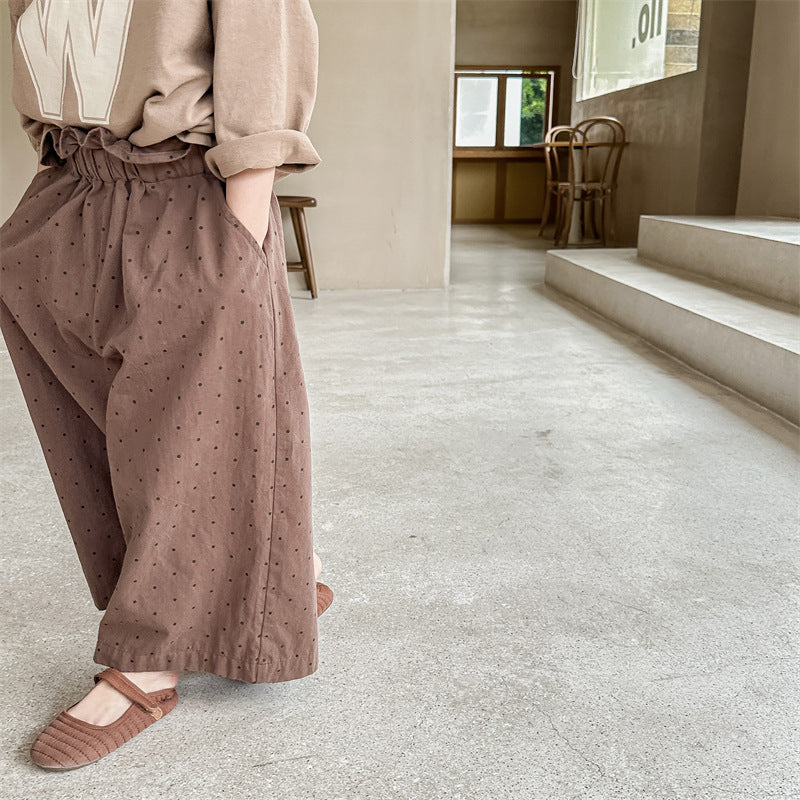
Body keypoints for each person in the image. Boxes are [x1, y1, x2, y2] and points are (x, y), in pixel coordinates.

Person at [0, 0, 332, 770]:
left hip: (185, 190)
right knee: (104, 441)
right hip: (73, 185)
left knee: (195, 436)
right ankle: (282, 571)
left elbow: (265, 45)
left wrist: (239, 234)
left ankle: (150, 657)